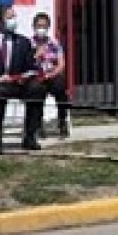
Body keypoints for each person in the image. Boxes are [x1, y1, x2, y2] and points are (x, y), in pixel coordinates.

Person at [0, 4, 45, 153]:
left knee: (37, 88)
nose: (13, 20)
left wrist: (27, 74)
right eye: (9, 17)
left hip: (18, 84)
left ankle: (30, 136)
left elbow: (31, 67)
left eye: (14, 16)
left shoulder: (23, 42)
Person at [25, 12, 71, 140]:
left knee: (60, 86)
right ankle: (38, 124)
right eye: (39, 26)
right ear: (34, 27)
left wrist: (51, 74)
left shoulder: (54, 43)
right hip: (36, 76)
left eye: (44, 26)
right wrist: (36, 55)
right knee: (36, 89)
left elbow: (61, 64)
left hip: (51, 74)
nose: (41, 29)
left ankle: (62, 120)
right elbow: (25, 64)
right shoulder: (28, 44)